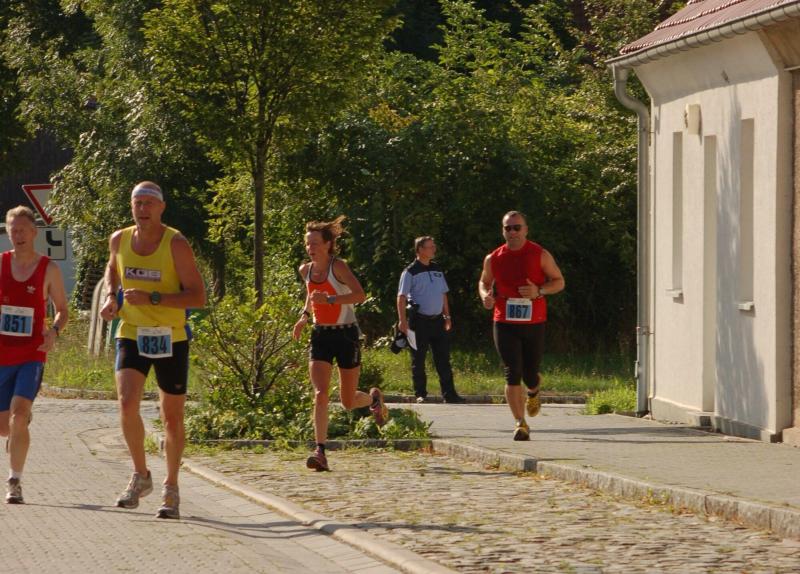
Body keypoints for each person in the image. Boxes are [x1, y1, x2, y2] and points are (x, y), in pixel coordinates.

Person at [100, 181, 205, 518]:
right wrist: (110, 297)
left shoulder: (176, 244)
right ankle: (140, 474)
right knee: (126, 402)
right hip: (131, 332)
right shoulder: (119, 239)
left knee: (171, 416)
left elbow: (198, 297)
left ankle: (171, 486)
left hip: (170, 335)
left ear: (161, 208)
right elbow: (112, 270)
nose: (142, 209)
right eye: (137, 203)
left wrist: (153, 298)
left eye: (149, 203)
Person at [292, 216, 388, 472]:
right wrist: (304, 317)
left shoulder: (339, 267)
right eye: (307, 243)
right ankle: (320, 451)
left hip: (346, 335)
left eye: (315, 243)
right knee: (320, 394)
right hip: (320, 335)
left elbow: (360, 295)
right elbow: (311, 296)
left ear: (327, 244)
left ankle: (373, 400)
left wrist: (331, 299)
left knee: (347, 401)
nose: (310, 248)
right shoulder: (305, 270)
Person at [0, 206, 69, 504]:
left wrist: (53, 331)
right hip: (1, 354)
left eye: (22, 230)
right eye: (12, 230)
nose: (18, 235)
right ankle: (19, 428)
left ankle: (14, 481)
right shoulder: (1, 264)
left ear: (34, 232)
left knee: (18, 416)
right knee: (5, 427)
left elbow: (63, 310)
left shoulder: (48, 269)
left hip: (32, 353)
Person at [478, 211, 564, 441]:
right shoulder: (493, 258)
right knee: (512, 371)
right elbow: (484, 282)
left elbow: (559, 281)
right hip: (504, 321)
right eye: (508, 228)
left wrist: (539, 291)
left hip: (534, 321)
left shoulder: (539, 254)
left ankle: (534, 390)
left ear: (526, 230)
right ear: (503, 231)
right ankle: (520, 423)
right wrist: (485, 296)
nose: (513, 232)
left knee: (530, 374)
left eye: (517, 227)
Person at [397, 236, 464, 404]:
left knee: (443, 358)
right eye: (430, 247)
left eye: (434, 246)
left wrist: (447, 316)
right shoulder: (410, 271)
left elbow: (443, 294)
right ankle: (420, 393)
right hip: (418, 321)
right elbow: (401, 297)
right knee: (418, 359)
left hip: (438, 321)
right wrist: (402, 321)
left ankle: (449, 394)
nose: (434, 249)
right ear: (420, 250)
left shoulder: (437, 269)